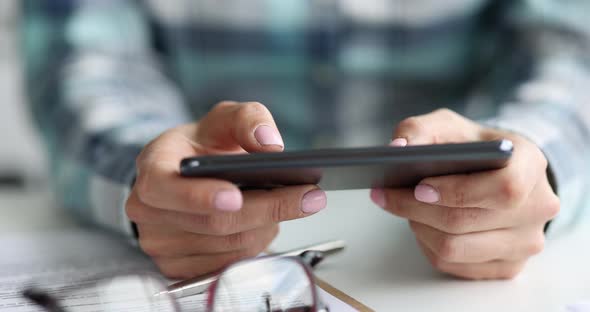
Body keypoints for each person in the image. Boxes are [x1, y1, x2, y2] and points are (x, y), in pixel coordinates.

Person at [21, 0, 589, 280]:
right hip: (199, 241)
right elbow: (83, 61)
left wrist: (533, 160)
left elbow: (572, 47)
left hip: (448, 258)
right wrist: (141, 178)